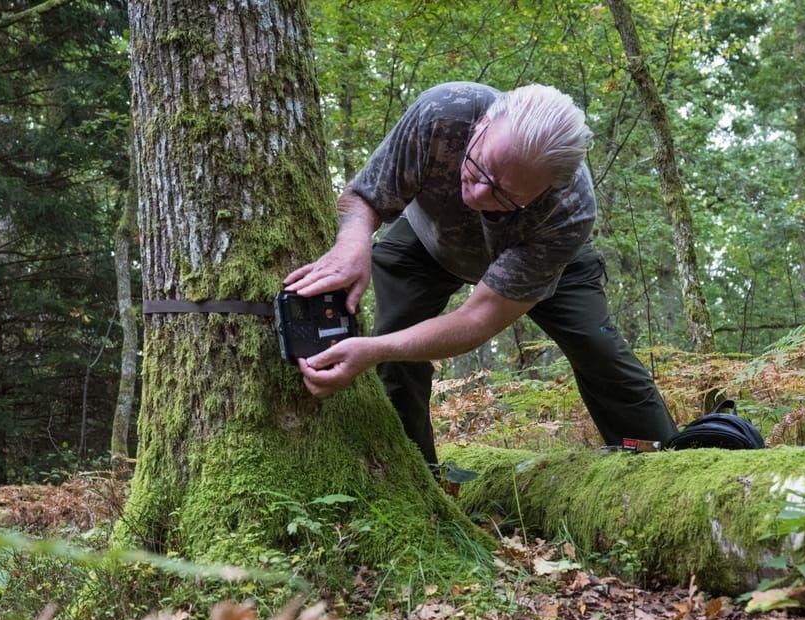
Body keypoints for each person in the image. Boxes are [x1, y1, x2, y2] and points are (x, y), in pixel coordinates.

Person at [284, 82, 677, 467]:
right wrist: (351, 243)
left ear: (545, 188)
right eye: (478, 168)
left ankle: (666, 466)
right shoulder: (443, 113)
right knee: (396, 344)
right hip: (428, 237)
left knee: (599, 351)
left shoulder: (568, 210)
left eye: (505, 195)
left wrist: (373, 349)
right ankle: (419, 481)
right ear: (482, 124)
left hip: (545, 262)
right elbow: (365, 195)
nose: (477, 196)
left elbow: (477, 318)